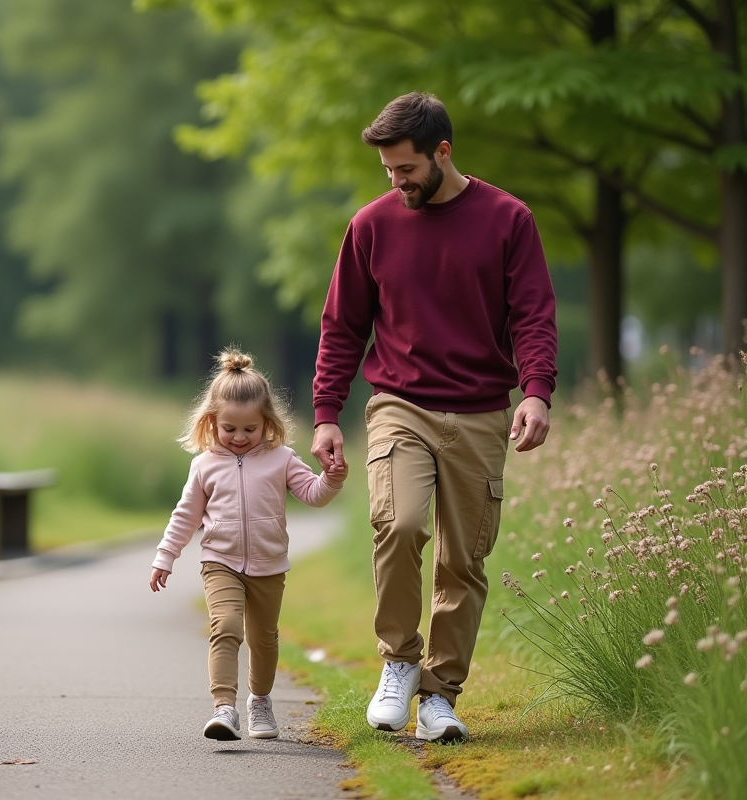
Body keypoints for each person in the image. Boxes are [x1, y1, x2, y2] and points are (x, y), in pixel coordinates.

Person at [310, 92, 557, 743]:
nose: (396, 181)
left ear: (443, 152)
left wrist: (536, 391)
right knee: (399, 524)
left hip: (481, 411)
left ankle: (440, 696)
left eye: (406, 168)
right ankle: (398, 661)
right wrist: (326, 412)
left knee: (463, 560)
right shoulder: (371, 226)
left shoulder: (509, 219)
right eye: (388, 170)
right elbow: (342, 326)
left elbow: (533, 314)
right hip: (400, 405)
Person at [150, 347, 345, 741]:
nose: (239, 438)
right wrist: (165, 557)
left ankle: (260, 701)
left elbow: (313, 494)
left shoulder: (282, 459)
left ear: (266, 423)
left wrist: (332, 479)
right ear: (212, 422)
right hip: (219, 562)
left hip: (269, 566)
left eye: (249, 429)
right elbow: (185, 516)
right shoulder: (204, 465)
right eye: (229, 429)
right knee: (224, 627)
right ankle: (224, 707)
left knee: (264, 639)